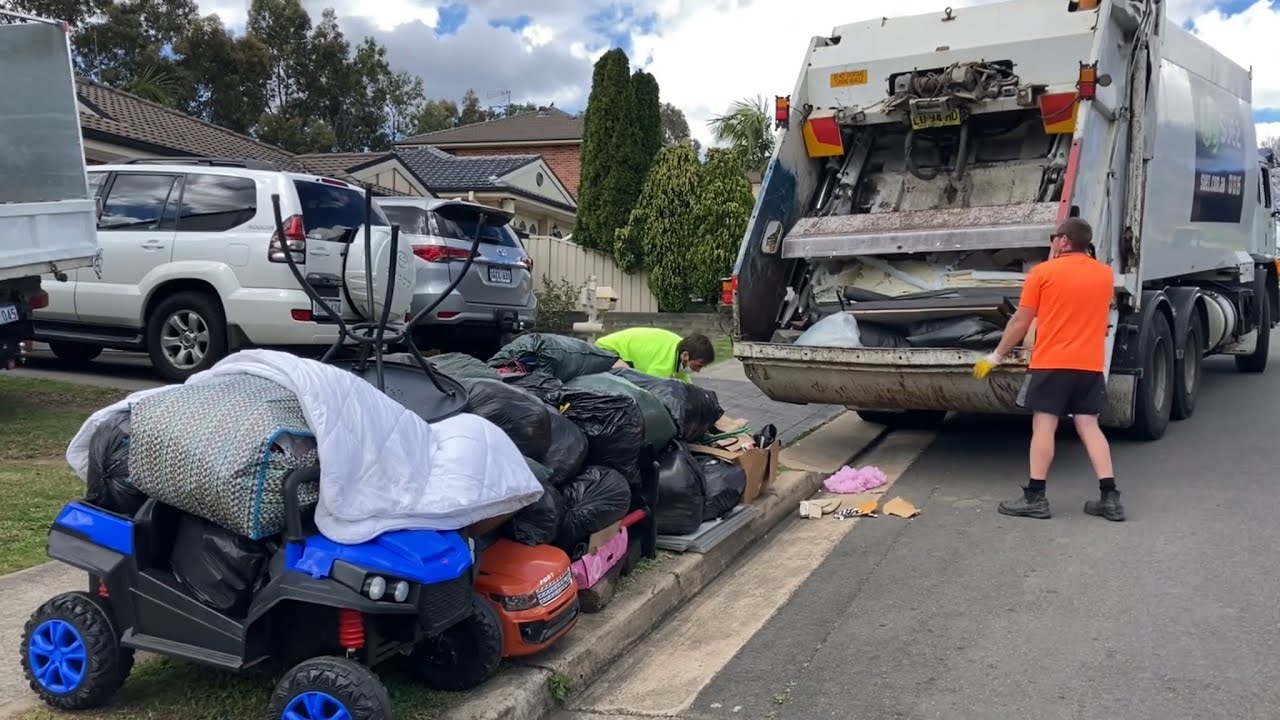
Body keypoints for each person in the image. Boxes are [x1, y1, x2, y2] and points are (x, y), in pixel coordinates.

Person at [975, 217, 1124, 522]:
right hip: (1089, 364)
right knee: (1089, 426)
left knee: (1044, 426)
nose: (1052, 242)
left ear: (1065, 241)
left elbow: (1021, 320)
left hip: (1052, 363)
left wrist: (997, 356)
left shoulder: (1042, 273)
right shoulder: (1105, 274)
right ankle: (1110, 498)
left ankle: (1035, 497)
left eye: (1054, 237)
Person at [595, 327, 715, 383]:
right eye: (698, 365)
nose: (698, 371)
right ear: (685, 356)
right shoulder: (663, 364)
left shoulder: (681, 347)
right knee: (629, 380)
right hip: (607, 349)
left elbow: (686, 384)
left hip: (621, 351)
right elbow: (651, 387)